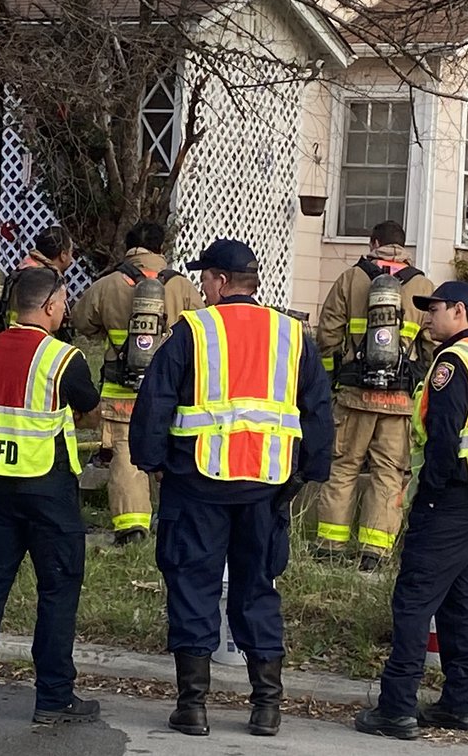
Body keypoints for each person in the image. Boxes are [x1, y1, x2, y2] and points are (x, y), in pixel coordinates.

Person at [130, 239, 334, 738]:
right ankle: (267, 706)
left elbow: (155, 402)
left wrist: (152, 462)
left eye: (205, 279)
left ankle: (193, 706)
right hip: (268, 488)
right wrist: (310, 471)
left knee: (193, 584)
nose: (201, 287)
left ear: (221, 281)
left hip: (198, 484)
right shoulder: (292, 335)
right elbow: (318, 411)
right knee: (257, 589)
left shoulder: (193, 332)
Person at [355, 280, 468, 740]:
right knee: (461, 602)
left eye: (435, 308)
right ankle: (462, 703)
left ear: (460, 312)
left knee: (414, 598)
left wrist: (427, 499)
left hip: (451, 498)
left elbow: (444, 439)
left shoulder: (453, 363)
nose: (427, 316)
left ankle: (397, 707)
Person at [0, 267, 102, 726]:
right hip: (47, 487)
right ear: (52, 306)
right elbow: (90, 412)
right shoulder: (62, 358)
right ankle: (54, 699)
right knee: (57, 589)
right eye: (64, 303)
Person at [69, 221, 203, 546]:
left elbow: (80, 320)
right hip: (173, 387)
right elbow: (203, 330)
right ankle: (172, 520)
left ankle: (131, 527)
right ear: (160, 249)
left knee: (126, 453)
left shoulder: (109, 283)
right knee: (174, 449)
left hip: (121, 389)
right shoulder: (181, 286)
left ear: (128, 247)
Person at [315, 220, 435, 572]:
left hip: (354, 395)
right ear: (403, 246)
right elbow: (429, 345)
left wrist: (335, 375)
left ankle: (330, 545)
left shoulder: (351, 279)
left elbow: (327, 334)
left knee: (344, 466)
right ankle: (375, 550)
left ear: (374, 243)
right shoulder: (422, 284)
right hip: (399, 401)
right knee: (389, 472)